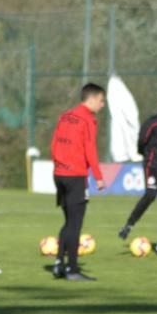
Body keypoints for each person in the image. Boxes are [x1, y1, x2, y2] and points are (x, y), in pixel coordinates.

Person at [50, 83, 107, 281]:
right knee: (75, 223)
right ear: (91, 99)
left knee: (68, 221)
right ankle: (73, 270)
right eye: (101, 101)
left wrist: (58, 166)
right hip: (75, 175)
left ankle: (59, 263)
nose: (102, 105)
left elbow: (54, 142)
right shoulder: (88, 119)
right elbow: (90, 148)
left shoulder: (65, 116)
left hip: (59, 174)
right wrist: (99, 176)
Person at [118, 90, 157, 255]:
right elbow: (141, 143)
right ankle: (129, 224)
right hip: (153, 166)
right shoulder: (152, 123)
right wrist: (149, 158)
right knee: (150, 195)